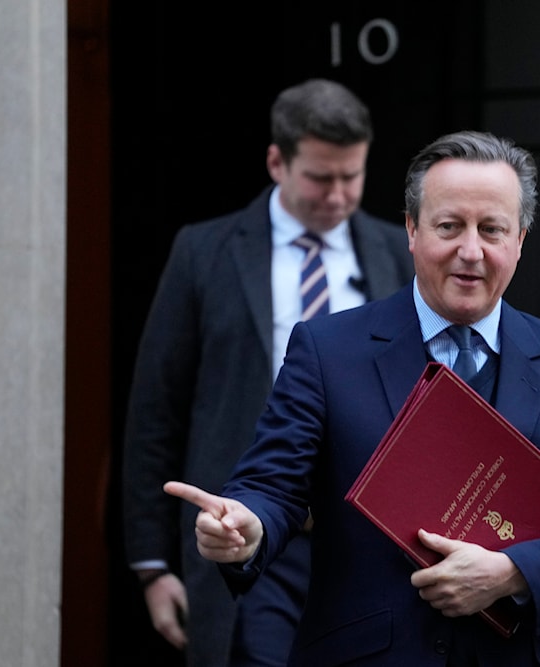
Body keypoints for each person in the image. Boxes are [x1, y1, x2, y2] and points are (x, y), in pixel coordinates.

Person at [163, 130, 540, 666]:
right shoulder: (328, 350)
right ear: (411, 230)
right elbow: (272, 487)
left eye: (491, 229)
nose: (470, 251)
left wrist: (512, 571)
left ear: (520, 239)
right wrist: (248, 527)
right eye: (449, 226)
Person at [121, 78, 415, 667]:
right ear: (277, 162)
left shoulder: (396, 253)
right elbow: (158, 410)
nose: (337, 195)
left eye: (351, 177)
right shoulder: (205, 252)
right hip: (251, 544)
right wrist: (152, 565)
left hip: (372, 550)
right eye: (320, 178)